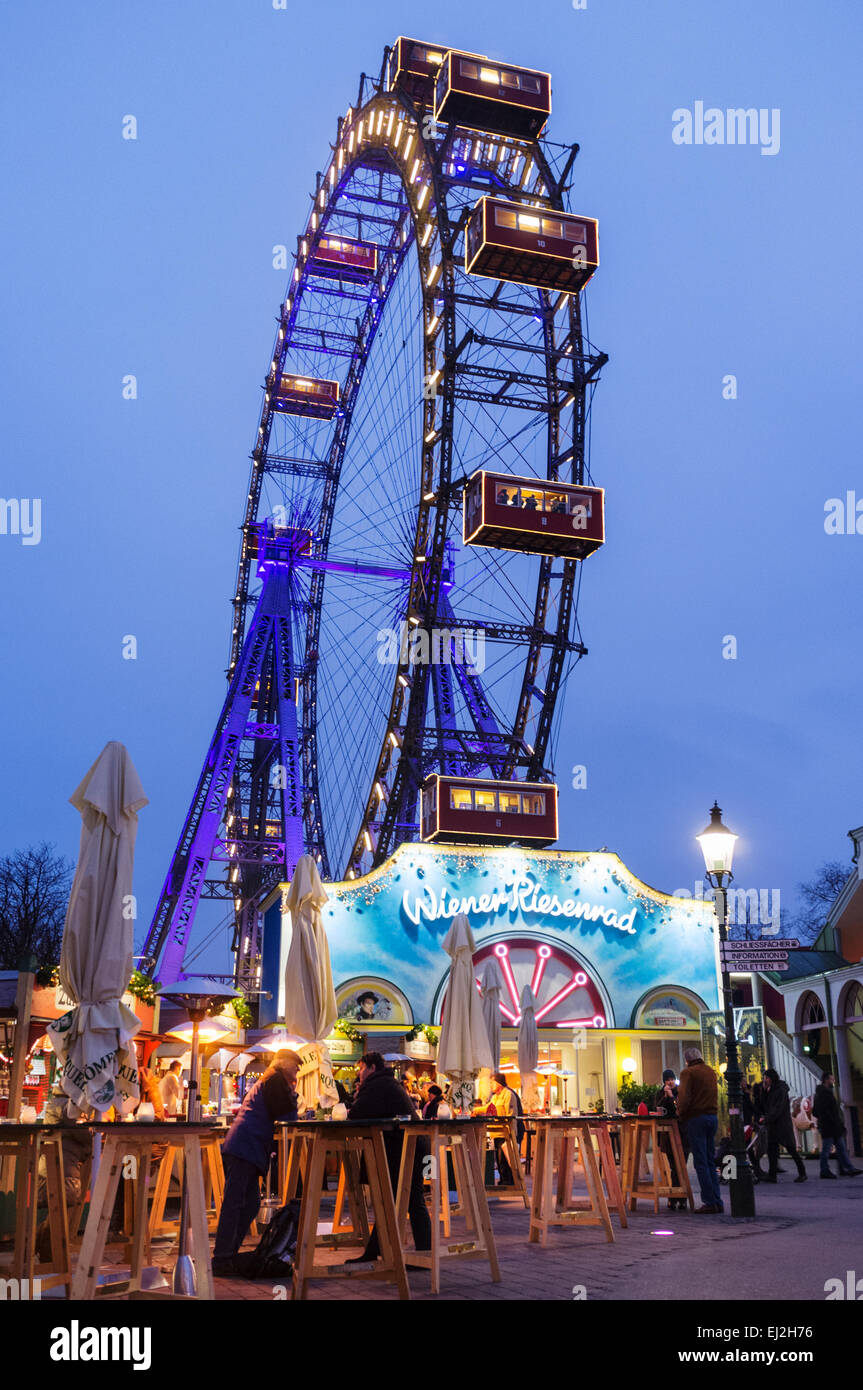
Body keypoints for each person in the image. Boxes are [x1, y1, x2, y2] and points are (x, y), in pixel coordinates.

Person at [212, 1050, 301, 1274]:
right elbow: (288, 1116)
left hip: (244, 1145)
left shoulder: (270, 1078)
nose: (298, 1069)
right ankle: (222, 1257)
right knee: (235, 1202)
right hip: (246, 1146)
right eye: (296, 1065)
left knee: (249, 1203)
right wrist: (294, 1092)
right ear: (284, 1063)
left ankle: (227, 1254)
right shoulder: (275, 1080)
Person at [344, 1052, 431, 1267]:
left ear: (372, 1067)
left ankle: (423, 1258)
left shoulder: (378, 1084)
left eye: (361, 1068)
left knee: (410, 1200)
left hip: (404, 1148)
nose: (360, 1074)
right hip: (406, 1146)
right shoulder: (385, 1082)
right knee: (392, 1201)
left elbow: (356, 1114)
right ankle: (376, 1251)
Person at [676, 1046, 723, 1213]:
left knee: (701, 1162)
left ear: (687, 1060)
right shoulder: (710, 1071)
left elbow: (684, 1097)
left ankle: (709, 1201)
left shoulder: (688, 1073)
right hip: (712, 1117)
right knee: (710, 1161)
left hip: (696, 1119)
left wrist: (680, 1113)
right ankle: (717, 1200)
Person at [812, 1073, 862, 1179]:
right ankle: (828, 1170)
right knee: (830, 1149)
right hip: (830, 1126)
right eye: (831, 1079)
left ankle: (846, 1168)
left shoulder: (820, 1094)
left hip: (829, 1125)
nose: (833, 1081)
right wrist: (834, 1122)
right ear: (826, 1080)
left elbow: (815, 1112)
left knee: (839, 1148)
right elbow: (827, 1112)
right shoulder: (825, 1094)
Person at [760, 1068, 806, 1183]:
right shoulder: (771, 1090)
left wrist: (768, 1118)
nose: (765, 1080)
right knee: (772, 1150)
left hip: (781, 1124)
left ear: (771, 1078)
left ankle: (802, 1172)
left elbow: (777, 1108)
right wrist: (764, 1091)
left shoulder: (780, 1090)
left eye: (766, 1078)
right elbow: (765, 1105)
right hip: (773, 1124)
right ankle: (772, 1174)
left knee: (790, 1148)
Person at [654, 1069, 686, 1210]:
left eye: (672, 1079)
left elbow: (679, 1109)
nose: (670, 1082)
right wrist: (666, 1097)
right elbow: (657, 1108)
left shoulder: (680, 1093)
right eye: (668, 1080)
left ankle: (680, 1197)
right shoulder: (660, 1094)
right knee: (673, 1166)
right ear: (664, 1081)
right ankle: (676, 1198)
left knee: (682, 1166)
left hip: (683, 1134)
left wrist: (672, 1096)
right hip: (668, 1136)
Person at [487, 1072, 523, 1187]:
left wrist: (512, 1134)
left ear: (498, 1083)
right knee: (499, 1159)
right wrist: (476, 1110)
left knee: (507, 1158)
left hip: (507, 1132)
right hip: (497, 1132)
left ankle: (511, 1182)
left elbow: (511, 1116)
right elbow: (489, 1108)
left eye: (492, 1083)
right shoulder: (495, 1096)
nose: (490, 1085)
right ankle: (504, 1181)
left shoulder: (509, 1094)